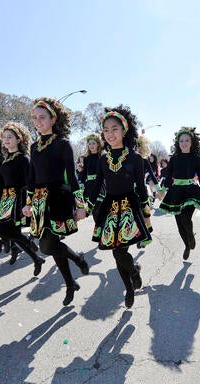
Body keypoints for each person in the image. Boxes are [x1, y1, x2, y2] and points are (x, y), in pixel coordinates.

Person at [22, 97, 89, 306]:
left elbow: (72, 176)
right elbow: (31, 178)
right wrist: (29, 202)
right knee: (50, 245)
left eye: (42, 117)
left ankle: (77, 262)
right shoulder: (34, 147)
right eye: (34, 118)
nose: (38, 121)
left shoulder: (62, 144)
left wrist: (80, 205)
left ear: (53, 119)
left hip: (58, 198)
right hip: (40, 202)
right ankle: (71, 281)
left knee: (48, 245)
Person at [88, 105, 150, 308]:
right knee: (117, 252)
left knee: (119, 252)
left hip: (129, 208)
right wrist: (86, 207)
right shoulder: (103, 159)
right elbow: (97, 185)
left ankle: (133, 274)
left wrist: (147, 214)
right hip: (109, 208)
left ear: (124, 130)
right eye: (106, 130)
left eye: (114, 129)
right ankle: (131, 282)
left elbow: (141, 188)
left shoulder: (135, 158)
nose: (110, 134)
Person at [0, 121, 45, 274]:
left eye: (10, 137)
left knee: (7, 230)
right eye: (4, 137)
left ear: (19, 139)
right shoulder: (5, 159)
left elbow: (30, 182)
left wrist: (28, 203)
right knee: (4, 230)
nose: (6, 140)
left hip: (19, 198)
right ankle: (35, 257)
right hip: (6, 198)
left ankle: (30, 250)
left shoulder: (24, 158)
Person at [159, 126, 200, 260]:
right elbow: (169, 176)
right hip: (176, 192)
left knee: (185, 218)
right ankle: (187, 245)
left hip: (191, 191)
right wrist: (162, 189)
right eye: (181, 140)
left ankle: (191, 235)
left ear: (192, 142)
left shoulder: (196, 158)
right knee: (179, 223)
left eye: (187, 140)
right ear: (178, 143)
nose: (184, 143)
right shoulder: (174, 158)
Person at [79, 133, 104, 211]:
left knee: (99, 209)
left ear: (98, 144)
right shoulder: (86, 158)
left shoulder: (102, 157)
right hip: (89, 186)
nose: (91, 145)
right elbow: (83, 174)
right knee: (93, 211)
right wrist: (81, 182)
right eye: (89, 144)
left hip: (100, 185)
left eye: (93, 143)